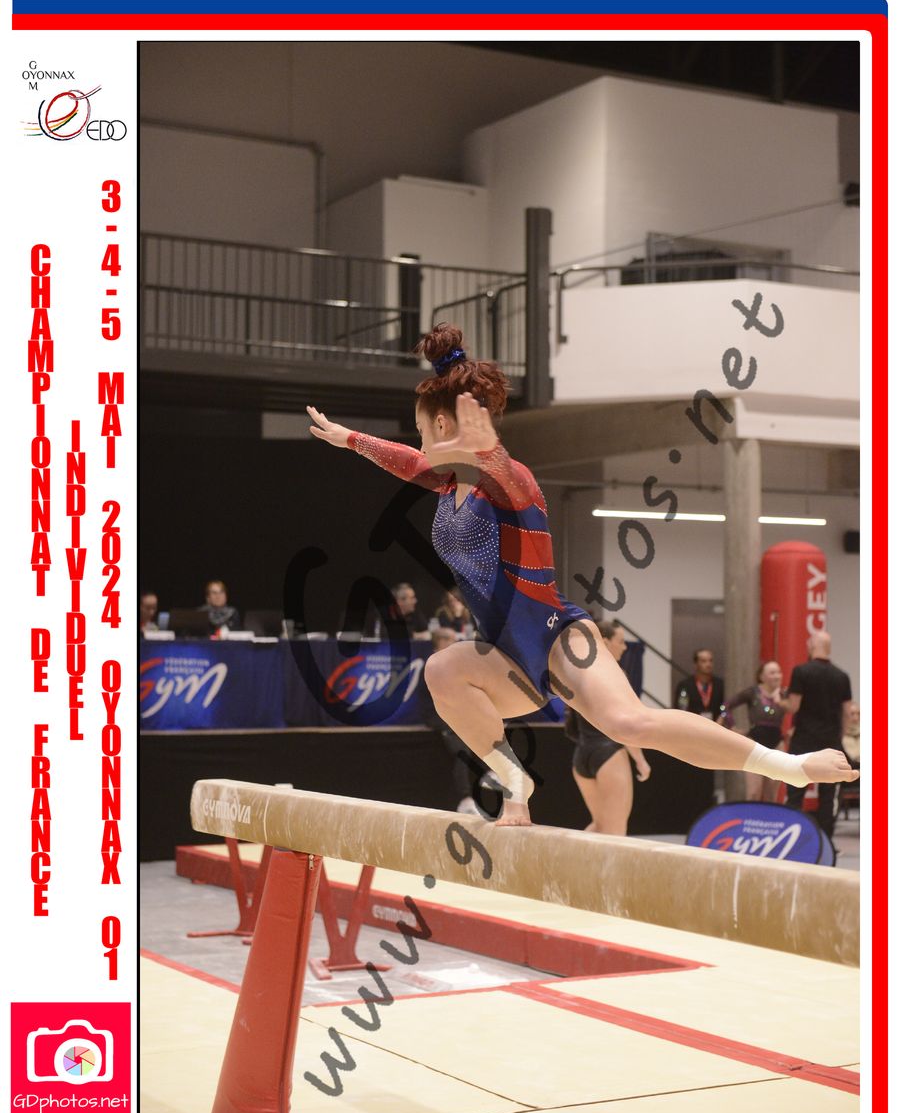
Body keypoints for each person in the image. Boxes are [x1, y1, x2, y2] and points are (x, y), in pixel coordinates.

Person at [306, 322, 857, 827]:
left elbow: (506, 475)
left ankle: (788, 766)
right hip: (505, 657)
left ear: (444, 423)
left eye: (421, 428)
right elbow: (409, 462)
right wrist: (349, 439)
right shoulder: (449, 482)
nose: (419, 440)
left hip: (558, 639)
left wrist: (488, 448)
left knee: (630, 724)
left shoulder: (511, 481)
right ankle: (515, 783)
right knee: (442, 670)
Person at [565, 620, 650, 835]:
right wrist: (640, 759)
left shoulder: (577, 670)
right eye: (620, 641)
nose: (625, 647)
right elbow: (625, 723)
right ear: (604, 642)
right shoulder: (614, 673)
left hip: (581, 755)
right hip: (608, 754)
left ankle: (570, 858)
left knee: (600, 826)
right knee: (615, 833)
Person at [781, 631, 855, 841]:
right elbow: (847, 712)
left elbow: (793, 706)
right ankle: (825, 842)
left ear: (812, 645)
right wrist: (839, 736)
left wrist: (780, 701)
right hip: (831, 741)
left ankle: (791, 840)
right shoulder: (842, 676)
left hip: (804, 739)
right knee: (828, 795)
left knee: (795, 791)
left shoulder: (801, 671)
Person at [420, 626, 500, 815]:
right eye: (449, 639)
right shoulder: (432, 665)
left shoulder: (454, 665)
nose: (454, 643)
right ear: (439, 642)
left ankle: (489, 771)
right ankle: (465, 799)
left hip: (455, 713)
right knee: (462, 751)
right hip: (438, 716)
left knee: (483, 732)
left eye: (454, 639)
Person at [719, 660, 786, 802]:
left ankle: (769, 817)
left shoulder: (784, 694)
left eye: (779, 672)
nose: (777, 676)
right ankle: (750, 816)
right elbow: (725, 706)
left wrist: (794, 728)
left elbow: (798, 708)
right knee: (754, 793)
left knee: (771, 796)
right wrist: (732, 727)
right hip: (755, 743)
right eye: (772, 673)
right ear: (762, 676)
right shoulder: (753, 693)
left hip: (777, 744)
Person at [674, 649, 725, 719]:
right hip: (692, 723)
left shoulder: (720, 684)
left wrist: (721, 718)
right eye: (704, 661)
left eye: (710, 661)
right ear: (696, 664)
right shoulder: (685, 685)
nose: (708, 664)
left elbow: (726, 706)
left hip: (715, 723)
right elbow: (681, 708)